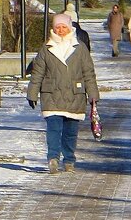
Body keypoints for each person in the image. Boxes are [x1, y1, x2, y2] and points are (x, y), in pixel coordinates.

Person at [26, 12, 99, 174]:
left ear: (69, 27)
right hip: (51, 95)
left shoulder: (80, 48)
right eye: (57, 27)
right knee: (53, 129)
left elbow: (88, 72)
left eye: (63, 27)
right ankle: (53, 158)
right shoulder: (46, 49)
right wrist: (32, 93)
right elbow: (37, 72)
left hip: (75, 96)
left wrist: (93, 94)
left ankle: (69, 160)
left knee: (70, 133)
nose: (60, 30)